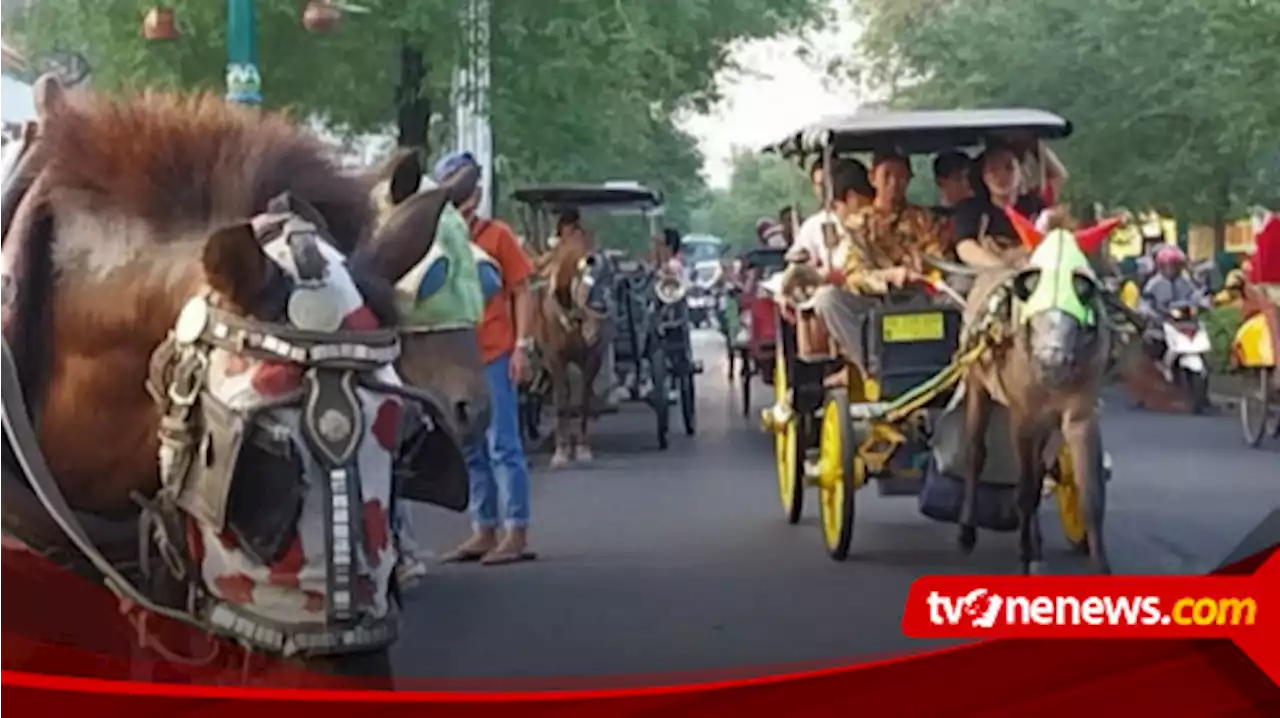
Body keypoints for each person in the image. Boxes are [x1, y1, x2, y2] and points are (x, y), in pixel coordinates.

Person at [434, 151, 538, 566]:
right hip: (457, 358)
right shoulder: (439, 238)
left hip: (495, 354)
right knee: (470, 445)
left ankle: (516, 531)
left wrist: (522, 347)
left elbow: (522, 290)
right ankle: (483, 529)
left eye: (465, 189)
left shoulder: (497, 236)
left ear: (475, 194)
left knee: (503, 445)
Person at [804, 151, 943, 381]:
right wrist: (888, 276)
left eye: (901, 176)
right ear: (872, 178)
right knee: (827, 298)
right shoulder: (857, 223)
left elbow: (938, 257)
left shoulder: (924, 219)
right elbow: (854, 274)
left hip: (921, 299)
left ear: (909, 179)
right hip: (874, 305)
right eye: (887, 175)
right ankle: (872, 368)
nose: (894, 183)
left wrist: (923, 267)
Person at [792, 157, 876, 273]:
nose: (822, 192)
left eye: (835, 206)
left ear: (852, 197)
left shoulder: (874, 227)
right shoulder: (813, 225)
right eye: (819, 186)